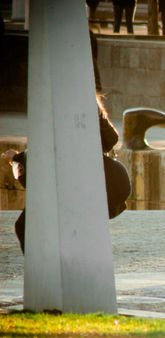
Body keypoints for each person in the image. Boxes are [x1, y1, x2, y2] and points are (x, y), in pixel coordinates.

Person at [1, 96, 131, 254]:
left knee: (26, 225)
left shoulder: (63, 112)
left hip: (84, 188)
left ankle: (47, 268)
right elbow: (111, 139)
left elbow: (42, 166)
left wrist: (16, 158)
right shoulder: (85, 109)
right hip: (107, 186)